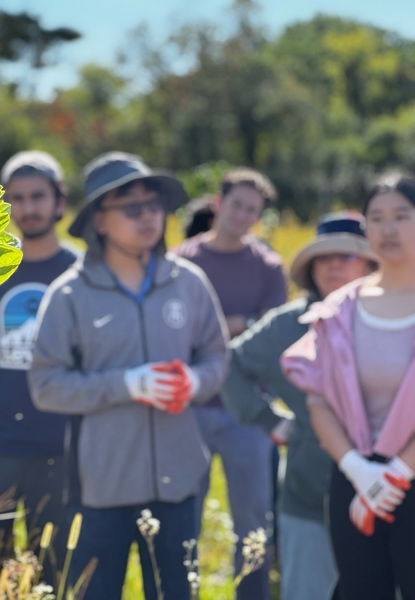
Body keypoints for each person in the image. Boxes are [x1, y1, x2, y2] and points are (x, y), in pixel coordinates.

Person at [28, 152, 229, 600]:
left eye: (153, 205)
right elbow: (45, 386)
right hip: (101, 487)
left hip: (180, 479)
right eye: (130, 207)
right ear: (99, 221)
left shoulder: (189, 282)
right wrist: (128, 384)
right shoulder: (69, 294)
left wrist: (195, 382)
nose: (147, 217)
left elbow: (217, 357)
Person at [221, 212, 375, 600]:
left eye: (347, 255)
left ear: (373, 263)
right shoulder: (287, 325)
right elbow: (228, 365)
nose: (334, 265)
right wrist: (268, 420)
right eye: (324, 257)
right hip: (309, 496)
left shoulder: (396, 317)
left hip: (386, 495)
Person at [282, 174, 415, 600]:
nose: (388, 228)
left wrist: (396, 474)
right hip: (352, 477)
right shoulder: (339, 308)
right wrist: (358, 469)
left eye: (401, 216)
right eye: (376, 218)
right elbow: (318, 398)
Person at [0, 150, 79, 584]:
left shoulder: (82, 272)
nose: (29, 208)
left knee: (57, 576)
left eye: (39, 196)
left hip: (62, 447)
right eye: (18, 199)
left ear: (60, 201)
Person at [173, 167, 287, 600]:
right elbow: (175, 332)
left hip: (250, 414)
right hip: (190, 411)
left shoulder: (268, 267)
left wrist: (217, 325)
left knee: (254, 524)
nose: (242, 215)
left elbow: (269, 339)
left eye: (253, 210)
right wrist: (235, 323)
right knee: (185, 520)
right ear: (218, 203)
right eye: (236, 204)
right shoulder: (183, 259)